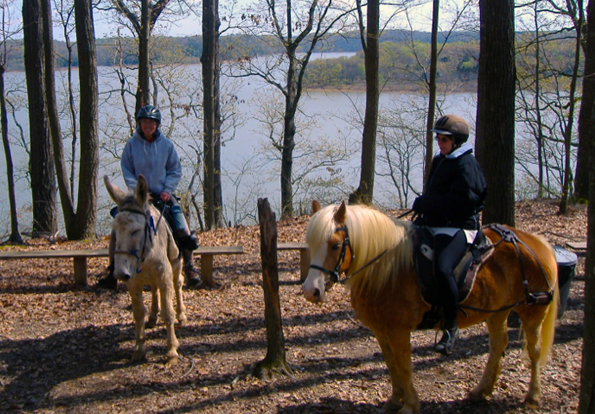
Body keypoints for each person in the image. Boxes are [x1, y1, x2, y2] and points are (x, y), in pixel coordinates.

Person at [97, 105, 202, 289]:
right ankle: (113, 270)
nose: (148, 125)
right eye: (145, 122)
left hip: (163, 195)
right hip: (139, 198)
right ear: (140, 123)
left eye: (152, 123)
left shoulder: (167, 145)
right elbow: (127, 169)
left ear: (157, 125)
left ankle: (190, 266)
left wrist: (167, 190)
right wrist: (138, 191)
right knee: (117, 228)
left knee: (181, 226)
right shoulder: (131, 145)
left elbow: (175, 170)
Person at [412, 114, 487, 355]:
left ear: (456, 141)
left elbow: (463, 203)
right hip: (433, 224)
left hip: (457, 228)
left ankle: (451, 326)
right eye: (438, 138)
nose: (440, 142)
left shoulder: (466, 164)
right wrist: (423, 206)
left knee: (442, 269)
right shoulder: (441, 159)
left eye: (444, 139)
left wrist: (428, 203)